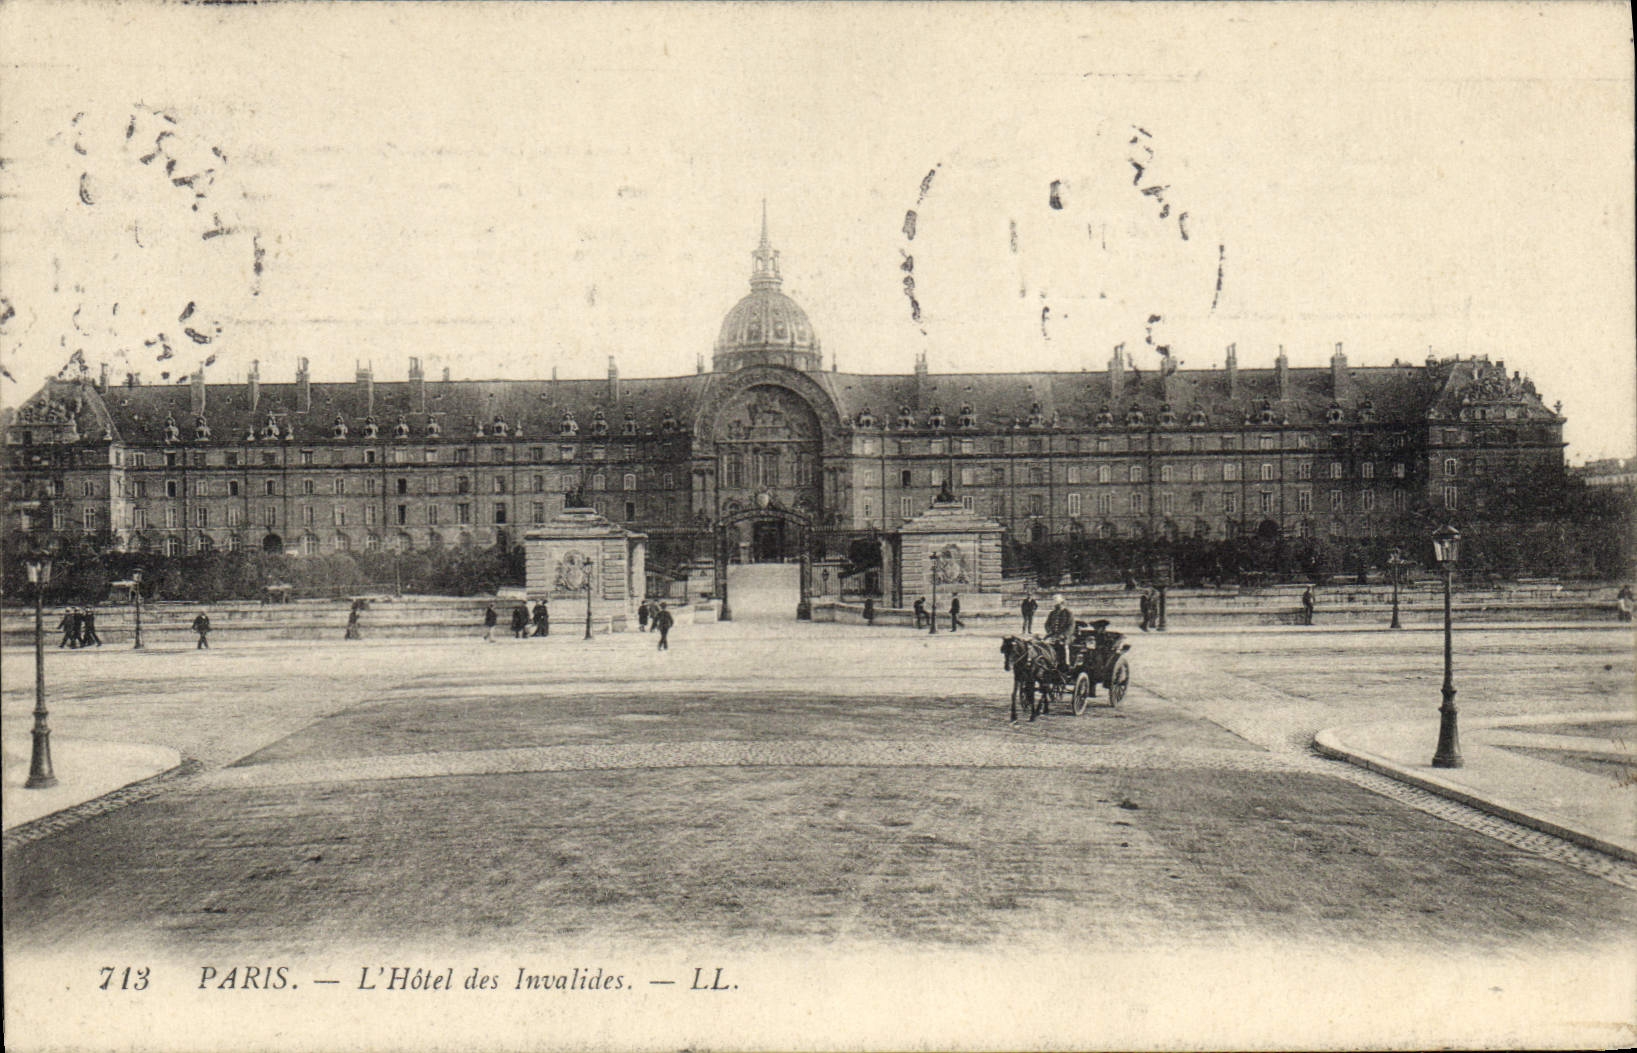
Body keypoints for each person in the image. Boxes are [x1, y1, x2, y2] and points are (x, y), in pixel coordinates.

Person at [1043, 594, 1073, 667]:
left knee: (1065, 648)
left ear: (1062, 602)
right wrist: (1050, 632)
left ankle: (1066, 665)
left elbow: (1070, 626)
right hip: (1052, 636)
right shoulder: (1052, 613)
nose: (1056, 606)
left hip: (1064, 637)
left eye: (1057, 603)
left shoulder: (1068, 613)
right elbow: (1047, 624)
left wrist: (1063, 635)